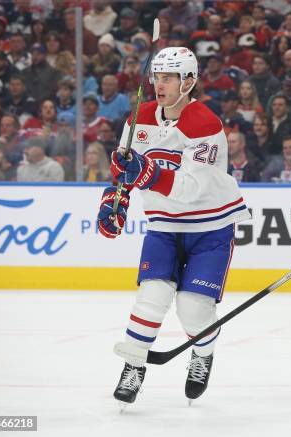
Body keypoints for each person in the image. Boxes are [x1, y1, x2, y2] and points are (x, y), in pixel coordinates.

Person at [99, 47, 250, 409]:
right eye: (157, 76)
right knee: (151, 298)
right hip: (163, 226)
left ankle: (202, 353)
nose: (159, 84)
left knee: (193, 308)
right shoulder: (141, 117)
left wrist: (147, 174)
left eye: (168, 77)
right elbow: (123, 166)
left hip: (210, 227)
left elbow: (194, 187)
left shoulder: (205, 124)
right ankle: (133, 366)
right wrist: (114, 198)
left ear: (189, 81)